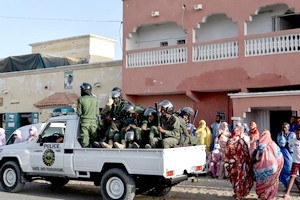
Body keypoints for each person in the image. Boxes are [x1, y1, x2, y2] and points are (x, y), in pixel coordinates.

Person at [253, 129, 284, 200]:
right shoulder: (273, 144)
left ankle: (262, 195)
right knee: (271, 184)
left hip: (260, 170)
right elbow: (280, 156)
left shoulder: (259, 145)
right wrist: (279, 165)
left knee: (262, 183)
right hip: (273, 168)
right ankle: (269, 196)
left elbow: (254, 156)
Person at [224, 127, 254, 200]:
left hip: (232, 165)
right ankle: (239, 194)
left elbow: (226, 154)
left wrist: (227, 163)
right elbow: (246, 152)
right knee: (240, 178)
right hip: (241, 164)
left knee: (234, 178)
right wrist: (249, 161)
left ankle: (237, 193)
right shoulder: (241, 141)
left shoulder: (229, 141)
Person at [77, 82, 100, 148]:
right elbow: (97, 113)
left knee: (85, 143)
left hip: (84, 124)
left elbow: (79, 113)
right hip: (94, 124)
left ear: (83, 90)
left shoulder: (81, 99)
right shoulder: (95, 100)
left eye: (81, 89)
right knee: (95, 142)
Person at [277, 122, 296, 189]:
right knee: (282, 170)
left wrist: (286, 143)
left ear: (288, 128)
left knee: (289, 169)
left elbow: (291, 144)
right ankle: (286, 186)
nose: (284, 129)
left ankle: (290, 185)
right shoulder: (279, 134)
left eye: (285, 127)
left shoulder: (292, 134)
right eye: (283, 127)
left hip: (290, 154)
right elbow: (282, 144)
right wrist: (282, 136)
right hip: (282, 153)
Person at [284, 127, 300, 199]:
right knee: (292, 176)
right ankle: (287, 193)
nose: (298, 134)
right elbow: (286, 145)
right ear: (295, 133)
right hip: (295, 162)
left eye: (299, 133)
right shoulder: (292, 140)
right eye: (297, 133)